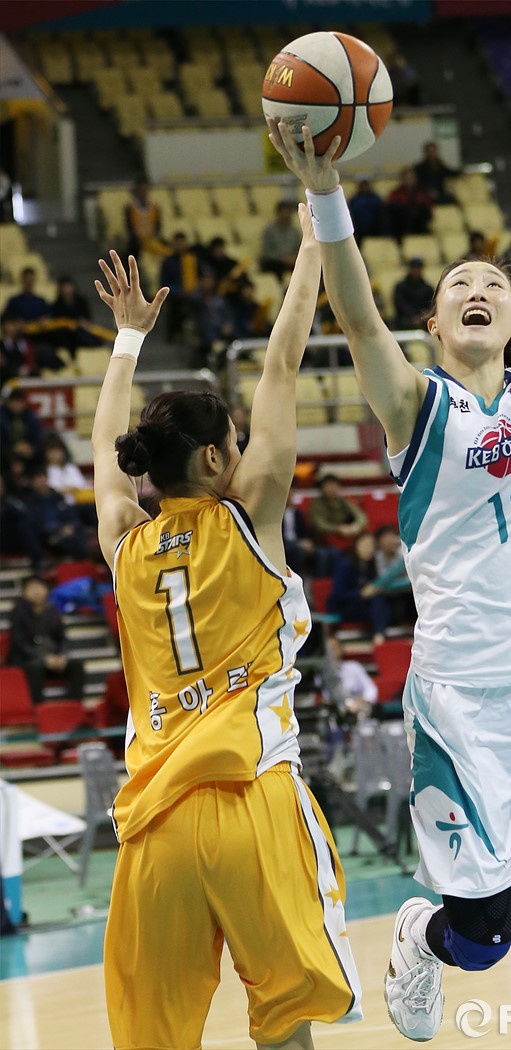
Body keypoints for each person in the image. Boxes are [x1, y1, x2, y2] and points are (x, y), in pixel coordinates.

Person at [269, 118, 511, 1050]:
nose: (477, 291)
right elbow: (357, 316)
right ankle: (418, 935)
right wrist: (327, 196)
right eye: (458, 286)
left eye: (494, 287)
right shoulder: (417, 406)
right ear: (432, 325)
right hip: (463, 698)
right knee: (483, 940)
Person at [91, 218, 361, 1050]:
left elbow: (104, 451)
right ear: (212, 460)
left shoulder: (124, 543)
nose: (245, 454)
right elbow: (281, 364)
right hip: (249, 796)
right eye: (235, 445)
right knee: (284, 1021)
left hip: (155, 828)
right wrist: (315, 236)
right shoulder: (251, 516)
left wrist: (127, 341)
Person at [8, 575, 85, 704]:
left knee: (77, 665)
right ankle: (38, 707)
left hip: (53, 658)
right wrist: (44, 658)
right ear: (24, 592)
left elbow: (62, 638)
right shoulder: (17, 612)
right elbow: (19, 642)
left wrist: (61, 656)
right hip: (29, 659)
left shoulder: (52, 610)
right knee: (35, 667)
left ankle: (74, 705)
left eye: (40, 587)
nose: (37, 592)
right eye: (32, 588)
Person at [307, 473, 367, 550]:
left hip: (346, 536)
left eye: (334, 486)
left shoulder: (344, 501)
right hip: (324, 541)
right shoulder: (316, 504)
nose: (332, 489)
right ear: (322, 488)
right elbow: (319, 524)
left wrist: (356, 526)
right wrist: (338, 528)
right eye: (328, 486)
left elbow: (361, 516)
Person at [260, 200, 302, 280]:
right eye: (284, 214)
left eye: (288, 214)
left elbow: (299, 248)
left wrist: (293, 258)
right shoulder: (269, 230)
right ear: (278, 214)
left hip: (292, 261)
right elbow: (267, 252)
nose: (286, 216)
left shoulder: (295, 231)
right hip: (275, 261)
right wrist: (282, 259)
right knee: (271, 264)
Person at [387, 168, 433, 240]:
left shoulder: (423, 192)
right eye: (407, 178)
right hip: (401, 226)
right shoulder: (395, 194)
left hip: (419, 225)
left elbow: (428, 208)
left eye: (412, 178)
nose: (409, 180)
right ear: (402, 179)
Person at [393, 257, 434, 329]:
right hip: (405, 319)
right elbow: (399, 304)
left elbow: (430, 306)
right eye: (414, 268)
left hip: (423, 320)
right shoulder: (401, 287)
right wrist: (412, 316)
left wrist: (421, 317)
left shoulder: (427, 288)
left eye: (419, 268)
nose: (416, 270)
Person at [348, 178, 389, 243]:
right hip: (358, 232)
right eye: (362, 185)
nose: (364, 187)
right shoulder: (353, 201)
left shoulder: (377, 199)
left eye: (366, 184)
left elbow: (382, 217)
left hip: (375, 231)